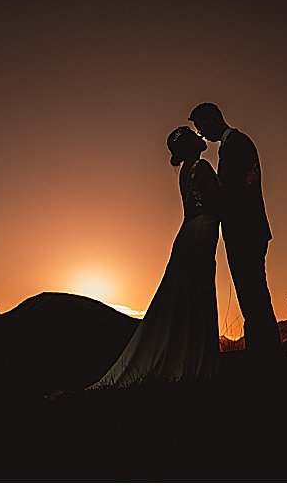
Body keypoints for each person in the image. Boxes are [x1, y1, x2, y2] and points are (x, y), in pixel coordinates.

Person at [91, 127, 221, 387]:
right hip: (201, 232)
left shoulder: (186, 170)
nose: (200, 136)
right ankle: (196, 365)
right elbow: (215, 201)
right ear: (190, 145)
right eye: (194, 136)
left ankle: (189, 360)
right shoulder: (202, 167)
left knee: (187, 297)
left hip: (189, 232)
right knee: (198, 294)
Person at [188, 102, 281, 365]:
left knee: (254, 295)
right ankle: (264, 353)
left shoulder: (238, 143)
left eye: (203, 126)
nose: (203, 135)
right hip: (242, 230)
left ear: (215, 118)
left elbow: (235, 192)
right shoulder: (231, 146)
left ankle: (266, 356)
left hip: (246, 231)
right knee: (251, 295)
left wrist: (216, 198)